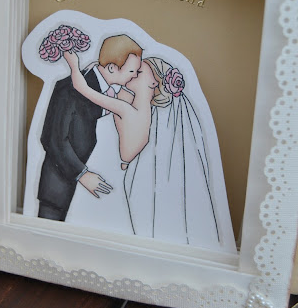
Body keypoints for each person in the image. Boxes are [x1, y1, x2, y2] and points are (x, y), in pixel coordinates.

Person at [63, 51, 237, 254]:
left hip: (110, 181)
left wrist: (74, 65)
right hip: (116, 175)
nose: (132, 74)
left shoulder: (128, 110)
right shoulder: (141, 109)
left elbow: (82, 88)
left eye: (138, 73)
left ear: (154, 84)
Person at [37, 34, 142, 221]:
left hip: (97, 201)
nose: (135, 75)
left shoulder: (122, 95)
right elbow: (53, 139)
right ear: (112, 68)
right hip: (60, 188)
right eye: (132, 71)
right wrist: (82, 174)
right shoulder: (68, 88)